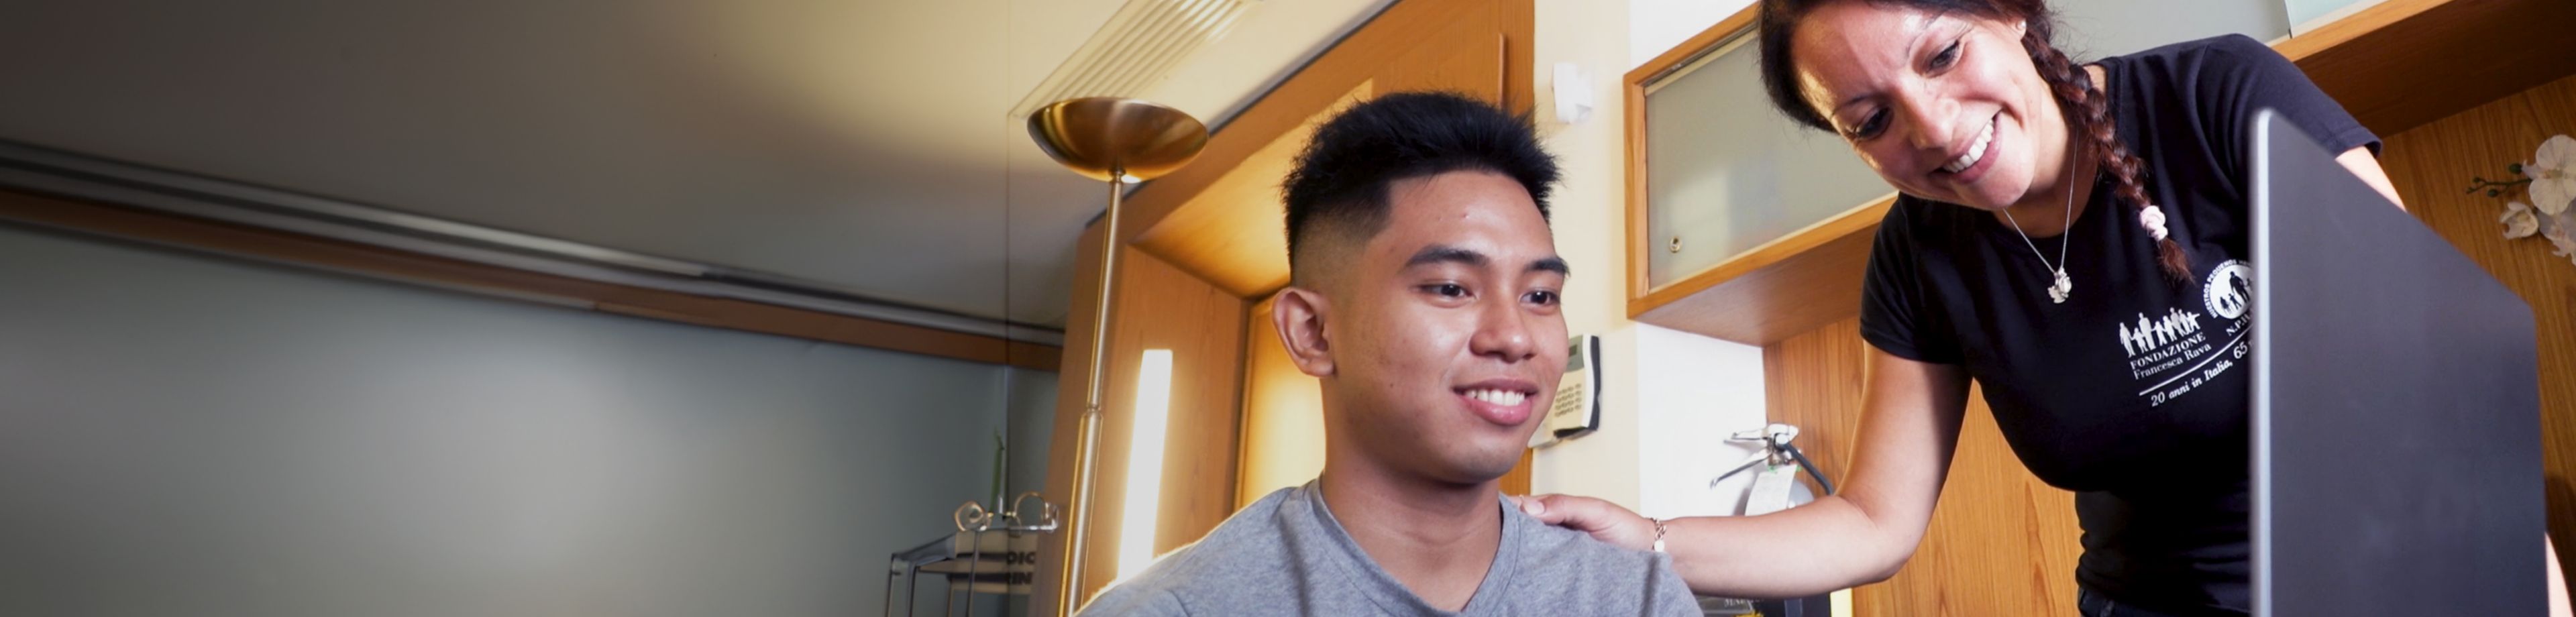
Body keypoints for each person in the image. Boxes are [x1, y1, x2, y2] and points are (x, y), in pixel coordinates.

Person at [1510, 1, 2574, 616]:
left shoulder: (2220, 98)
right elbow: (1871, 522)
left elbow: (2440, 401)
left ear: (2007, 11)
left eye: (1943, 52)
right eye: (1873, 118)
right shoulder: (1919, 258)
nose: (1931, 128)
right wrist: (1640, 540)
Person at [1076, 92, 1699, 616]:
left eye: (1540, 295)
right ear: (1312, 333)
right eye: (1452, 288)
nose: (1514, 336)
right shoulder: (1176, 608)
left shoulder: (1631, 595)